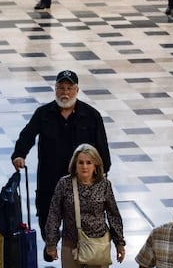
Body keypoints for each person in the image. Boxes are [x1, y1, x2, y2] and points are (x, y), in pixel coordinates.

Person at [11, 70, 111, 239]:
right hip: (50, 180)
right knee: (46, 218)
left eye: (69, 88)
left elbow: (102, 147)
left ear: (76, 90)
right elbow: (27, 135)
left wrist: (101, 173)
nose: (65, 92)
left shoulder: (91, 116)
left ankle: (74, 251)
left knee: (80, 222)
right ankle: (51, 244)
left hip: (81, 181)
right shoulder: (43, 114)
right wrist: (19, 155)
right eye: (61, 88)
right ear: (55, 89)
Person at [44, 144, 126, 268]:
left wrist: (119, 243)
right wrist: (51, 243)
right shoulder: (64, 184)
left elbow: (113, 214)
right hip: (72, 244)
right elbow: (54, 214)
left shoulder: (104, 185)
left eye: (89, 162)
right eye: (80, 162)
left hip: (98, 246)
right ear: (74, 165)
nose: (84, 166)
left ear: (96, 166)